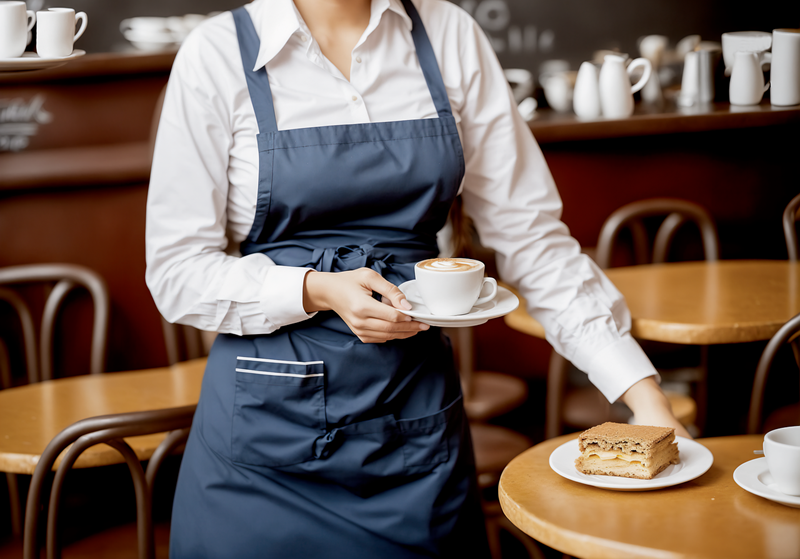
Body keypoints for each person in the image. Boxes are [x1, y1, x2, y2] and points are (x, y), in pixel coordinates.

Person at [145, 0, 690, 556]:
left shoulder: (447, 33)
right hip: (263, 444)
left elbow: (532, 239)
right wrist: (313, 288)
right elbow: (176, 272)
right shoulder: (216, 53)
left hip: (413, 424)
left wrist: (644, 398)